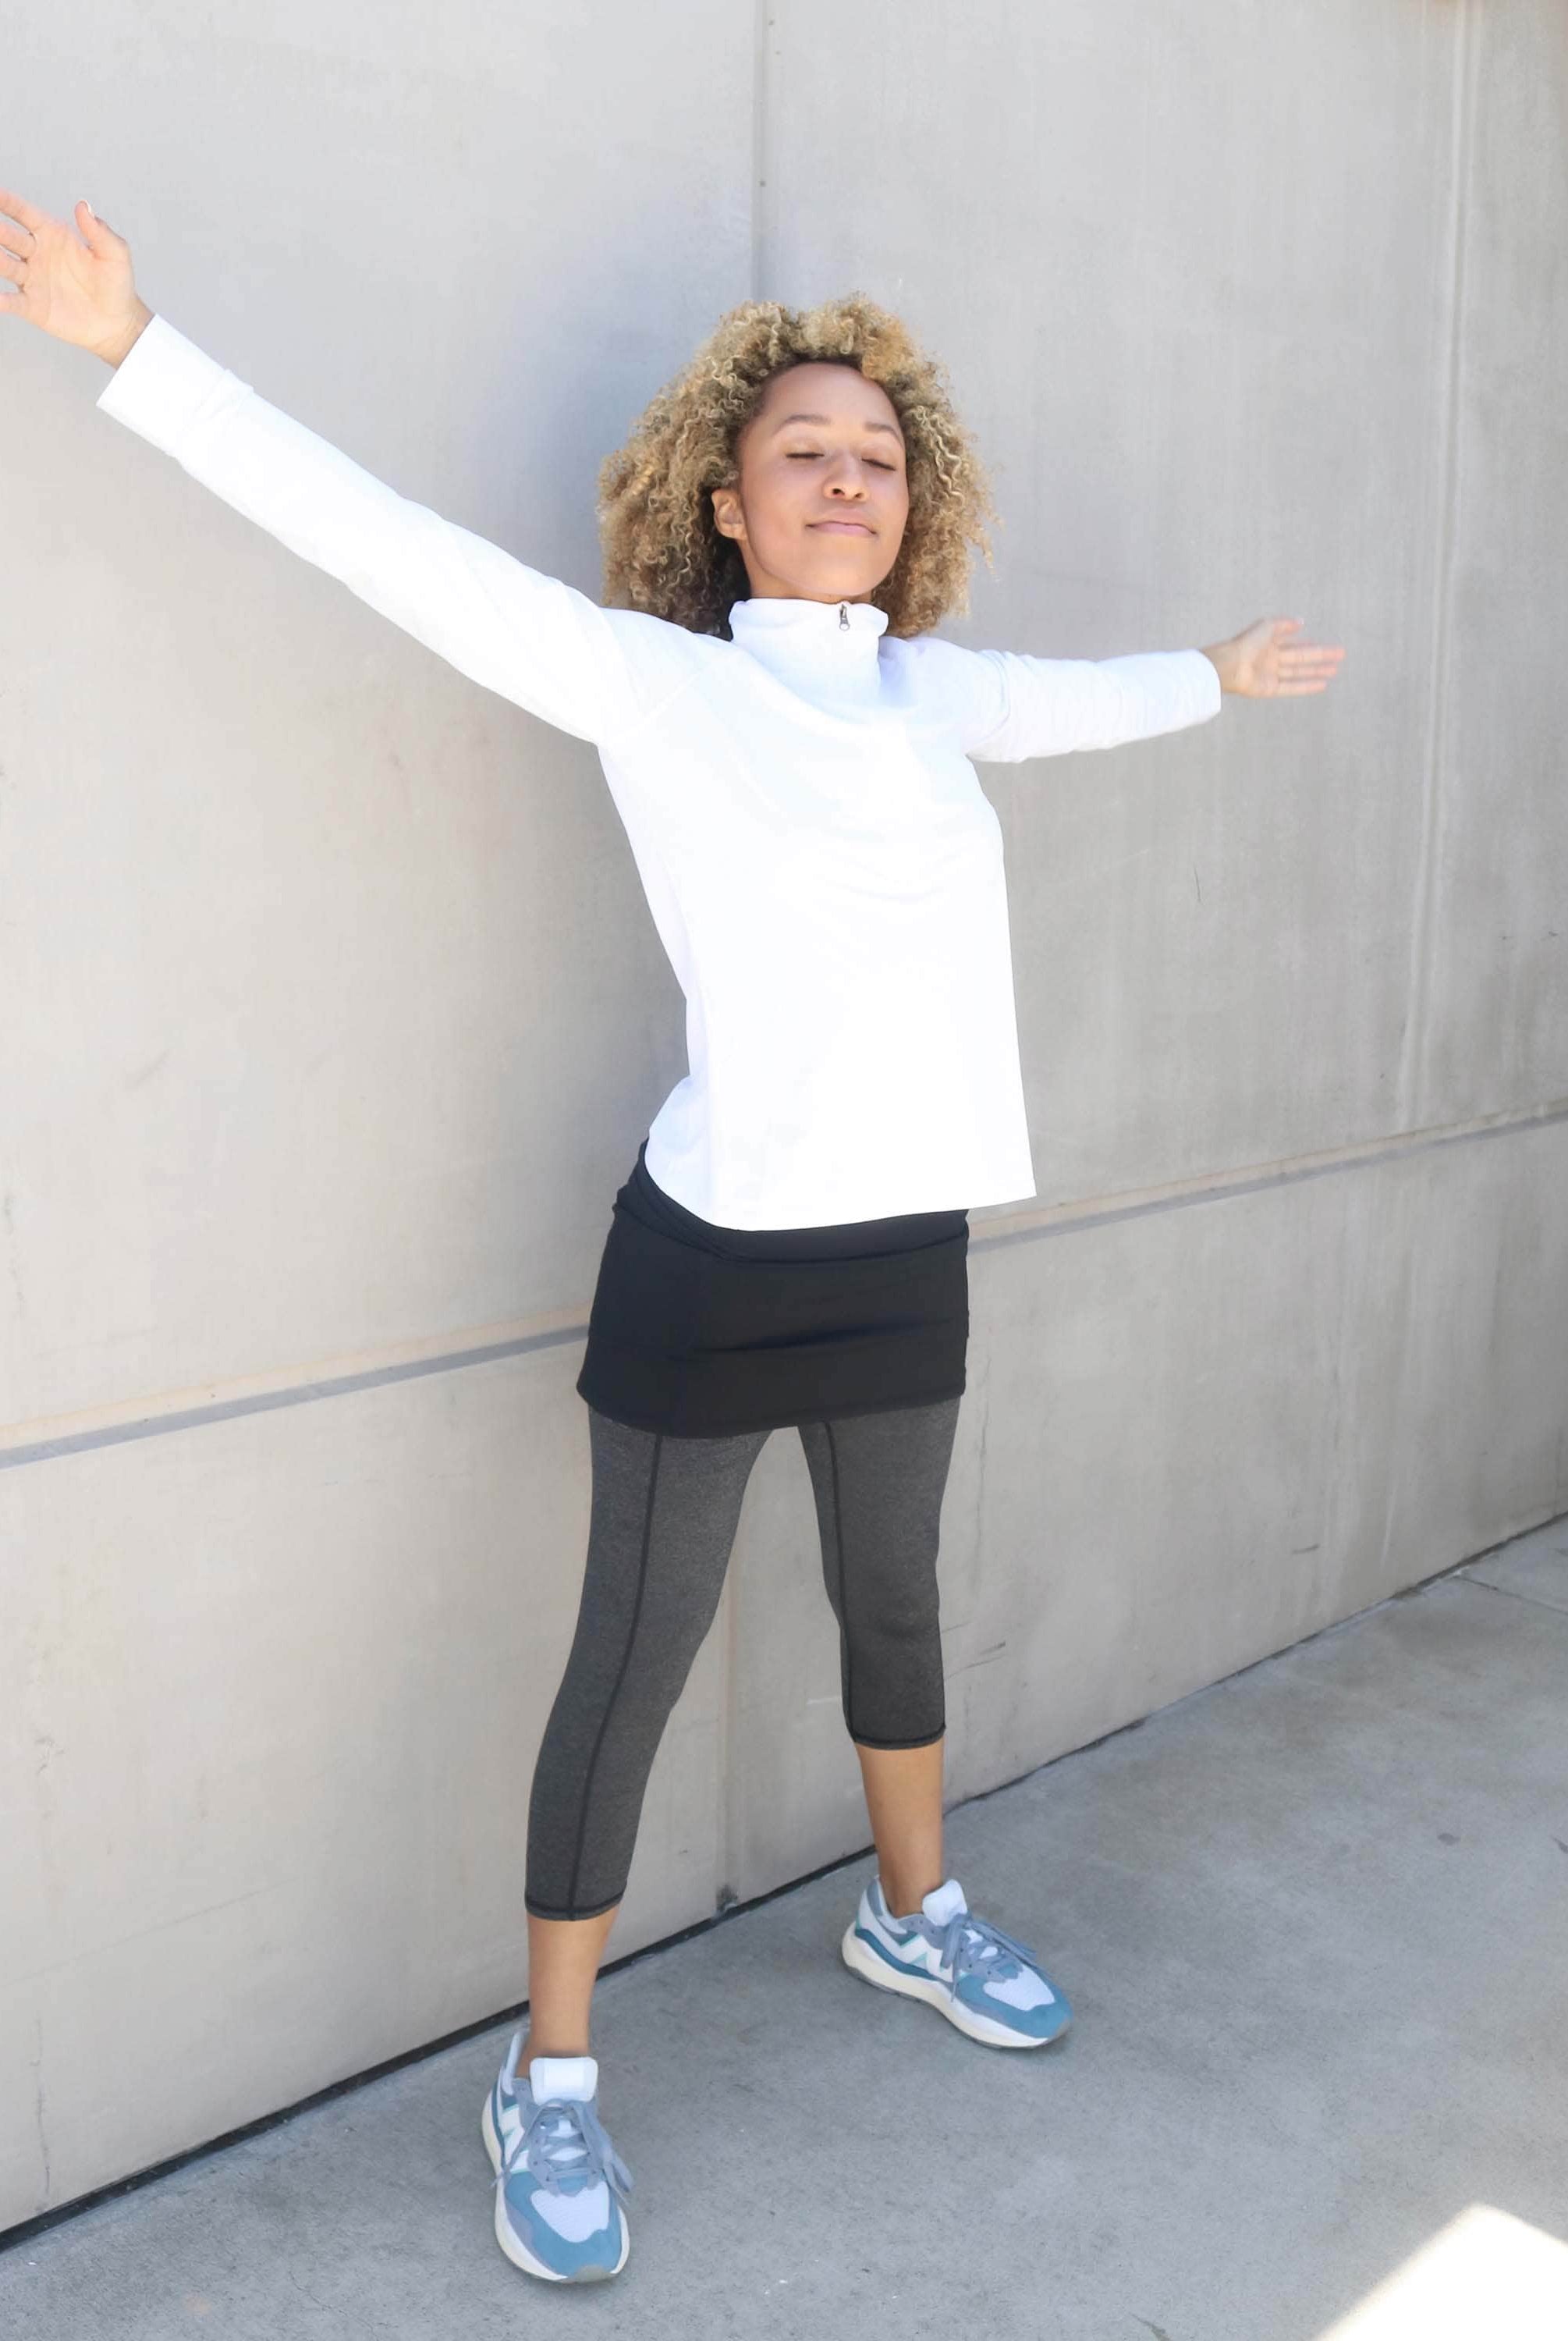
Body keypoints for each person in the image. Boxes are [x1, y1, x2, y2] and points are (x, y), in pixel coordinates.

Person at [0, 184, 1345, 2287]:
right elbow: (385, 546)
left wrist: (1221, 675)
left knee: (894, 1611)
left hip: (903, 1251)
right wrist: (136, 352)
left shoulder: (935, 699)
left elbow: (1088, 699)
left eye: (878, 454)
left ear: (913, 503)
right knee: (629, 1670)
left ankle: (910, 1912)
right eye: (806, 449)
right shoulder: (652, 684)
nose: (848, 477)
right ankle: (547, 2073)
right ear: (727, 501)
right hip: (714, 1269)